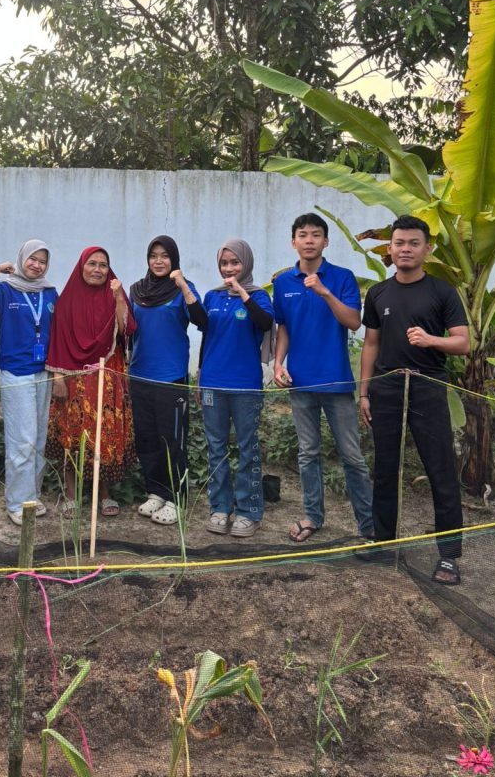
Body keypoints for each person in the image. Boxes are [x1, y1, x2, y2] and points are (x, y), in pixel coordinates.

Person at [359, 215, 469, 585]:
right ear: (390, 248)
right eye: (399, 243)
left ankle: (449, 556)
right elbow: (371, 344)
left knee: (440, 469)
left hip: (427, 385)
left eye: (413, 243)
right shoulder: (378, 293)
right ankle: (382, 540)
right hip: (387, 387)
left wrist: (430, 340)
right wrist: (364, 392)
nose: (405, 249)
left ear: (427, 249)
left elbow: (463, 342)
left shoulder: (442, 292)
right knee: (385, 468)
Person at [273, 213, 374, 543]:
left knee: (352, 456)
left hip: (336, 382)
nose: (309, 240)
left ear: (326, 241)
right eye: (303, 235)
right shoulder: (283, 283)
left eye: (316, 234)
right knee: (308, 454)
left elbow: (354, 322)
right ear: (294, 242)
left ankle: (369, 524)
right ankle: (312, 517)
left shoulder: (342, 278)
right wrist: (278, 364)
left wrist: (324, 292)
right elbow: (283, 328)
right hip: (300, 383)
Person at [0, 240, 58, 526]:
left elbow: (59, 331)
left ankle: (32, 496)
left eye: (42, 261)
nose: (37, 265)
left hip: (43, 372)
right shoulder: (5, 290)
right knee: (22, 439)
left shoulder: (49, 291)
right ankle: (17, 503)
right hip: (17, 373)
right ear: (21, 260)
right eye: (32, 259)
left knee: (39, 439)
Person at [45, 246, 136, 517]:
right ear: (81, 266)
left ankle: (103, 494)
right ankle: (71, 494)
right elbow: (57, 341)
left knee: (103, 436)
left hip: (107, 377)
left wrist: (118, 296)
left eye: (103, 265)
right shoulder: (66, 300)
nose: (97, 269)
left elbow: (127, 329)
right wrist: (58, 378)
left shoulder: (114, 294)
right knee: (72, 434)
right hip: (74, 380)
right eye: (92, 264)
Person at [129, 236, 206, 526]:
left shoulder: (182, 289)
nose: (159, 261)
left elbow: (202, 320)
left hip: (171, 378)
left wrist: (183, 285)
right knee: (147, 438)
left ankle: (177, 498)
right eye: (153, 255)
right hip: (139, 375)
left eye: (164, 255)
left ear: (174, 259)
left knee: (172, 440)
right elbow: (128, 330)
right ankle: (156, 492)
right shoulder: (137, 290)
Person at [199, 239, 274, 537]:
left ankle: (248, 512)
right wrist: (201, 375)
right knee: (216, 448)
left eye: (235, 262)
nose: (229, 268)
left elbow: (265, 323)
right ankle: (219, 508)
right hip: (212, 383)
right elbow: (206, 338)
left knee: (247, 449)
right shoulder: (212, 296)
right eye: (224, 263)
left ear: (247, 264)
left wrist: (243, 293)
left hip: (245, 386)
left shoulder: (259, 296)